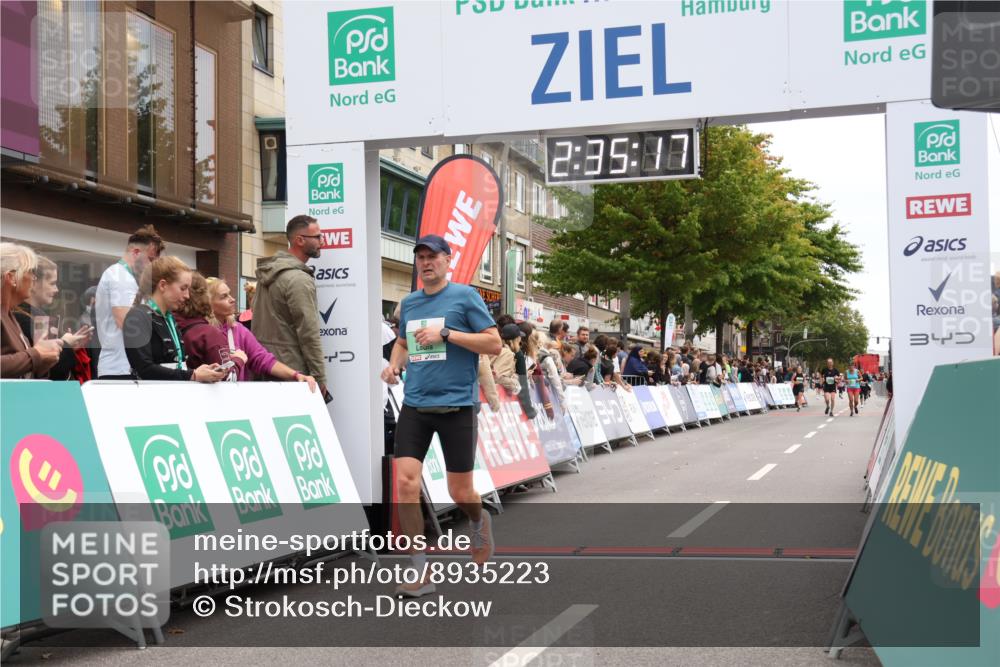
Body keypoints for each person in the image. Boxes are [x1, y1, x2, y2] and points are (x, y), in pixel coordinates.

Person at [380, 234, 502, 597]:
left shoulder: (465, 297)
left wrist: (447, 333)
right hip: (416, 404)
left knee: (459, 491)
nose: (426, 262)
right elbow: (403, 342)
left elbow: (494, 343)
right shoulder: (410, 302)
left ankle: (478, 519)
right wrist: (394, 366)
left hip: (457, 406)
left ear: (448, 260)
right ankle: (420, 571)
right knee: (405, 483)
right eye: (420, 257)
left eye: (432, 256)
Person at [253, 215, 328, 397]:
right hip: (291, 371)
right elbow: (309, 332)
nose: (323, 242)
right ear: (299, 240)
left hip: (265, 365)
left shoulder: (270, 273)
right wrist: (319, 377)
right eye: (317, 237)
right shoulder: (298, 279)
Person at [123, 256, 227, 383]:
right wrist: (192, 375)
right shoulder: (138, 316)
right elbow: (144, 369)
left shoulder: (169, 318)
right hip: (151, 394)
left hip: (173, 391)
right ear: (163, 285)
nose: (187, 296)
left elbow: (174, 366)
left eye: (188, 289)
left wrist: (199, 372)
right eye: (183, 288)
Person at [205, 277, 318, 390]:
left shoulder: (238, 329)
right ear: (208, 303)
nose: (232, 299)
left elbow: (262, 358)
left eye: (229, 294)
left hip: (235, 396)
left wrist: (295, 375)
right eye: (224, 297)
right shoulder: (201, 333)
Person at [95, 225, 164, 379]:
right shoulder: (120, 276)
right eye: (150, 259)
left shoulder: (127, 277)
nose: (153, 266)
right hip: (120, 368)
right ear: (136, 252)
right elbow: (127, 323)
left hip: (123, 367)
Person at [14, 256, 93, 381]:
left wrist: (70, 345)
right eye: (52, 283)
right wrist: (66, 345)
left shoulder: (30, 316)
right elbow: (54, 371)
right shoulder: (33, 320)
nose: (56, 289)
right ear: (33, 283)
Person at [1, 243, 62, 378]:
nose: (33, 278)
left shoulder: (10, 316)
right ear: (11, 278)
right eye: (30, 272)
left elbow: (20, 371)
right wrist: (35, 355)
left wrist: (42, 364)